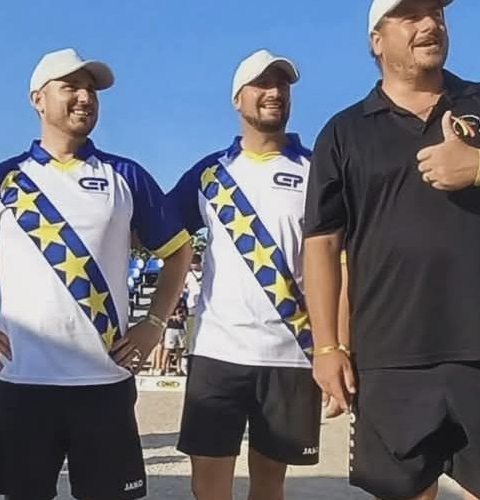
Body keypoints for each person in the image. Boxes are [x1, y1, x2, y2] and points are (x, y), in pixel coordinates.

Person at [302, 1, 480, 499]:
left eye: (436, 11)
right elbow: (322, 244)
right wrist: (327, 347)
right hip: (390, 359)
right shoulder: (344, 132)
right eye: (410, 15)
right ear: (376, 40)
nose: (430, 23)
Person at [0, 48, 193, 500]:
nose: (85, 97)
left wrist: (154, 325)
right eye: (71, 87)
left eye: (91, 89)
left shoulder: (126, 175)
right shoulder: (3, 179)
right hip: (24, 384)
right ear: (37, 99)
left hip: (105, 383)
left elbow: (179, 252)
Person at [168, 49, 319, 500]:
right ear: (238, 98)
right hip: (218, 352)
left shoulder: (316, 170)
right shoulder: (209, 174)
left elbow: (339, 258)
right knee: (208, 487)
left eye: (282, 84)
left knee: (270, 485)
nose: (274, 92)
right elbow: (157, 235)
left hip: (291, 354)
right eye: (262, 84)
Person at [160, 304, 186, 376]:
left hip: (180, 328)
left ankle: (178, 369)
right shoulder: (169, 302)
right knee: (167, 349)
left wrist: (181, 317)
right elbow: (163, 315)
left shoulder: (182, 302)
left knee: (179, 350)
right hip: (170, 328)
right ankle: (163, 368)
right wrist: (173, 317)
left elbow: (186, 315)